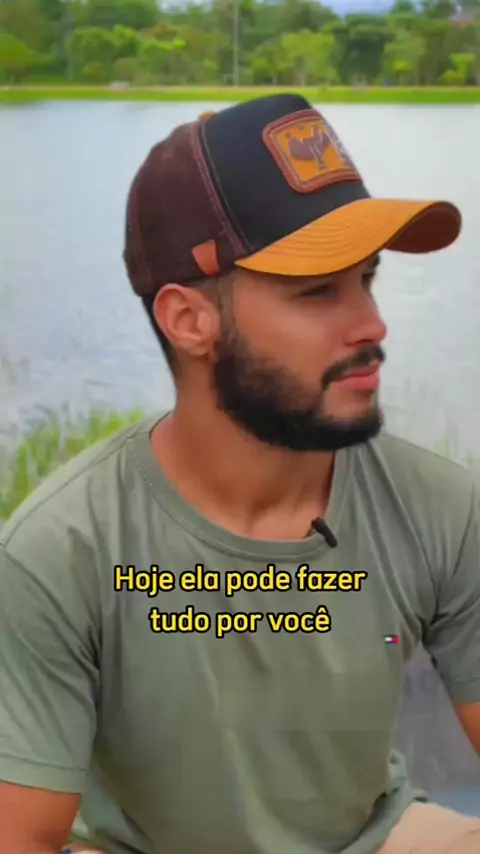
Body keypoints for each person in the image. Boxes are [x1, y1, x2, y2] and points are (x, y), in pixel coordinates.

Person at [0, 93, 479, 854]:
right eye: (318, 292)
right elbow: (21, 839)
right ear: (190, 321)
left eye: (367, 279)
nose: (372, 324)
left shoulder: (442, 508)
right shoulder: (61, 550)